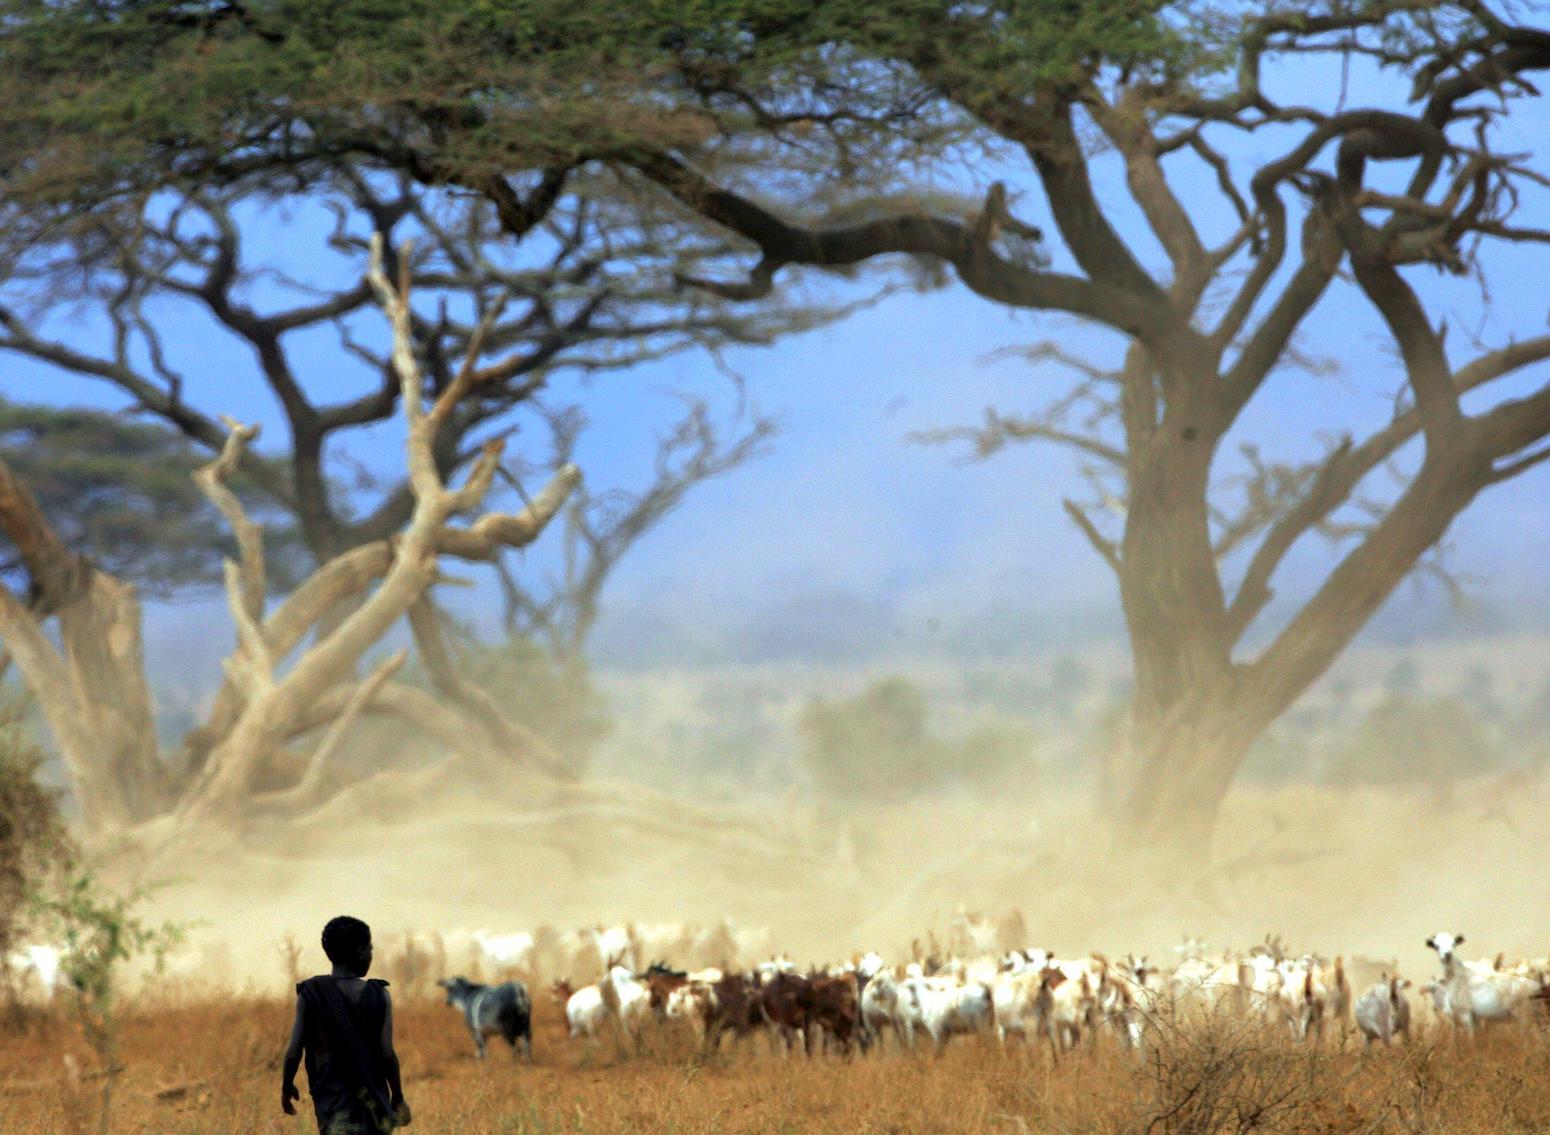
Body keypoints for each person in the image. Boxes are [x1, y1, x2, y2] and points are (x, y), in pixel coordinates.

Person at [281, 915, 411, 1134]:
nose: (371, 954)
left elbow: (294, 1050)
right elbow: (387, 1053)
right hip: (372, 1107)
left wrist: (286, 1086)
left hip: (332, 1106)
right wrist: (397, 1096)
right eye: (370, 949)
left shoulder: (311, 993)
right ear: (361, 951)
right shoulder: (379, 995)